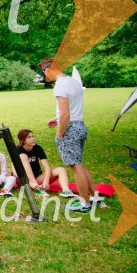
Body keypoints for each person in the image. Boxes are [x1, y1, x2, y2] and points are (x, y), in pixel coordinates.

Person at [39, 57, 99, 212]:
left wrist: (60, 134)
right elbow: (70, 110)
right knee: (79, 164)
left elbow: (65, 115)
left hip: (70, 130)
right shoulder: (73, 82)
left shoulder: (60, 86)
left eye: (44, 71)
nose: (45, 75)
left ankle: (85, 203)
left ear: (49, 69)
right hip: (80, 125)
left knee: (75, 166)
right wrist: (56, 118)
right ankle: (94, 197)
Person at [14, 129, 76, 199]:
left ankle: (66, 191)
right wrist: (31, 183)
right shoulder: (18, 149)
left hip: (37, 177)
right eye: (29, 137)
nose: (32, 139)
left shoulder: (38, 148)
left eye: (32, 136)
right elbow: (15, 172)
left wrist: (46, 181)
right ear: (23, 140)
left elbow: (47, 167)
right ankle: (36, 187)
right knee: (23, 156)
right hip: (23, 180)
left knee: (61, 170)